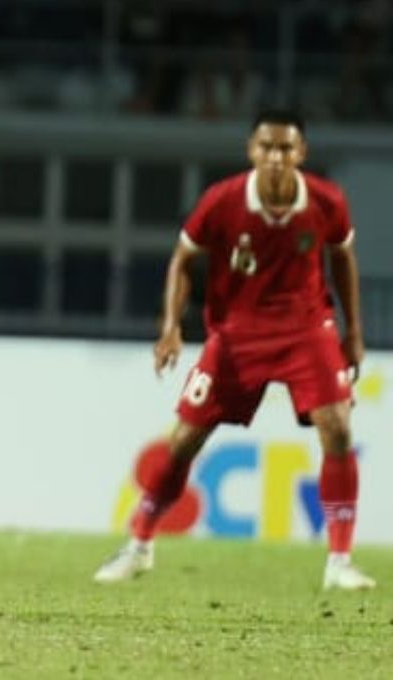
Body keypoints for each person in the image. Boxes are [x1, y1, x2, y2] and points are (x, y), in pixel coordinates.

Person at [94, 110, 374, 591]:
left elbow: (342, 257)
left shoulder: (327, 201)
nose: (275, 158)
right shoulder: (222, 201)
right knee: (184, 440)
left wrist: (352, 332)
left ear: (301, 154)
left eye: (286, 148)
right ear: (252, 151)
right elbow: (183, 260)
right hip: (237, 332)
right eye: (266, 147)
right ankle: (138, 543)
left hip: (307, 328)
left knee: (339, 429)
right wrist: (170, 327)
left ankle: (340, 560)